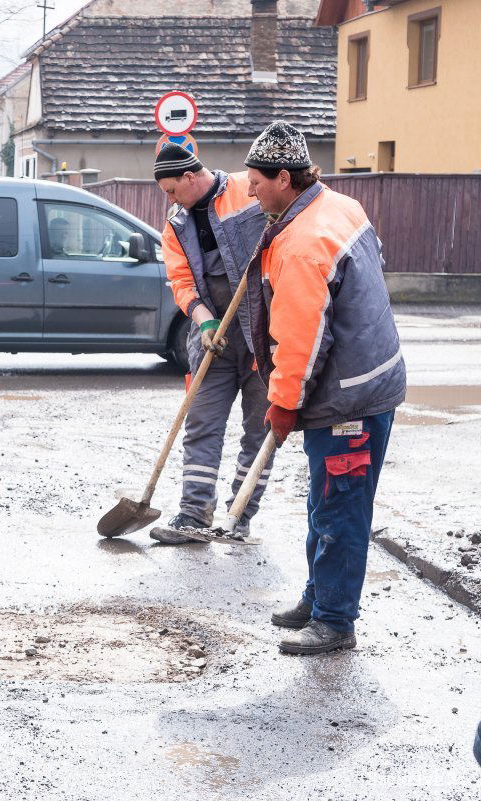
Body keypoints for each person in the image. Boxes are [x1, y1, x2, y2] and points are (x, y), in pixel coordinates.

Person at [243, 122, 406, 655]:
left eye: (257, 182)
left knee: (340, 508)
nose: (250, 191)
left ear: (283, 178)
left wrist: (283, 403)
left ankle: (335, 621)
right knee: (325, 500)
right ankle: (318, 599)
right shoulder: (339, 206)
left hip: (348, 398)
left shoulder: (304, 243)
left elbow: (303, 338)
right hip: (362, 380)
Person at [150, 143, 272, 544]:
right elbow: (181, 282)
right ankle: (194, 514)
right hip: (214, 337)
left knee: (259, 431)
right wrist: (205, 321)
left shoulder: (247, 190)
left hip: (263, 335)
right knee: (201, 423)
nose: (170, 200)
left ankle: (240, 516)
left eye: (172, 190)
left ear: (189, 177)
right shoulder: (177, 225)